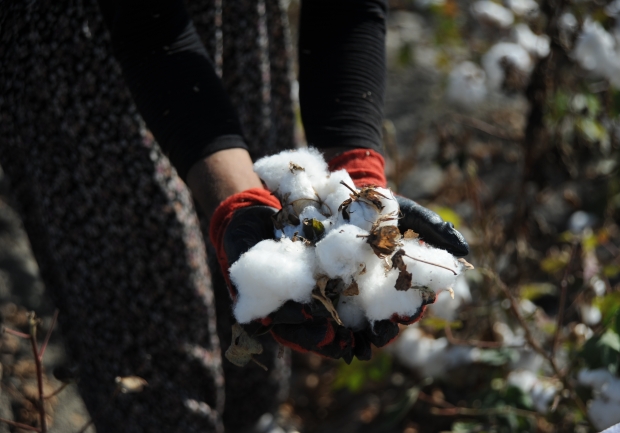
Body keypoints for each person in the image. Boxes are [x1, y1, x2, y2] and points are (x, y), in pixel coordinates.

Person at [0, 0, 467, 431]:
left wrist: (357, 177)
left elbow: (348, 7)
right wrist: (236, 204)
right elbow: (149, 28)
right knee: (151, 339)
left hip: (231, 23)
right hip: (88, 42)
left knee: (252, 350)